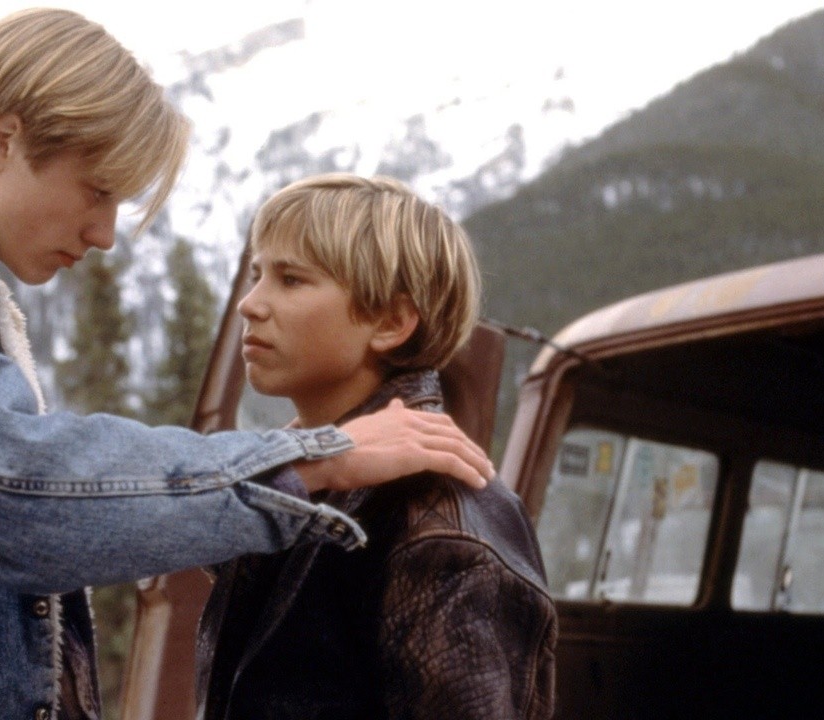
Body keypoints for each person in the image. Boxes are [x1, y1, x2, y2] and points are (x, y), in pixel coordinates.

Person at [0, 9, 494, 720]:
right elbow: (14, 492)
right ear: (0, 140)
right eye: (98, 190)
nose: (107, 232)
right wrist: (311, 460)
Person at [195, 174, 558, 719]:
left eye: (290, 279)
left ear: (390, 322)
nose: (251, 304)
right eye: (256, 275)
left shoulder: (438, 527)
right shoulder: (298, 479)